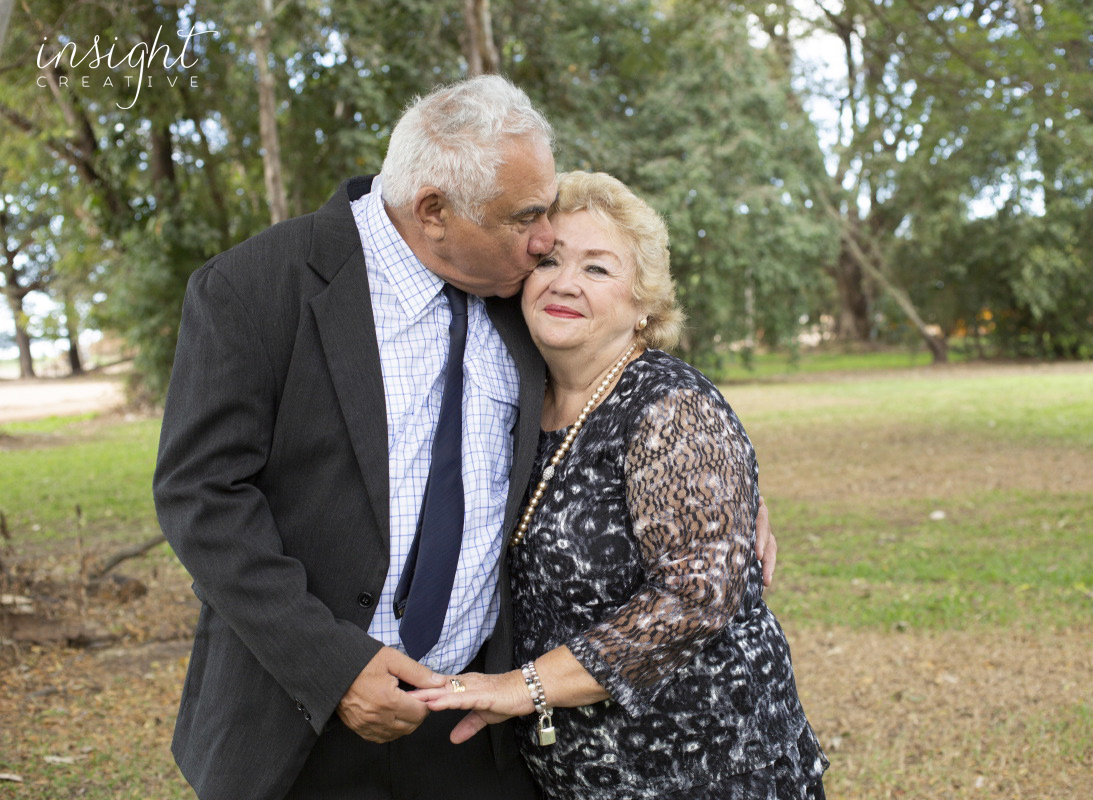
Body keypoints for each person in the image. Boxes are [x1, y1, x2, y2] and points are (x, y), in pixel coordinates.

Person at [154, 77, 777, 800]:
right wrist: (333, 668)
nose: (547, 244)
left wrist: (725, 498)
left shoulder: (512, 287)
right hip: (298, 724)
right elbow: (200, 497)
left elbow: (620, 367)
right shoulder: (255, 288)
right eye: (528, 220)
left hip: (473, 734)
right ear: (433, 211)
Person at [414, 172, 828, 799]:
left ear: (645, 307)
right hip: (577, 777)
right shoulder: (514, 399)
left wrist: (518, 686)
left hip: (706, 771)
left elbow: (695, 599)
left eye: (598, 269)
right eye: (548, 259)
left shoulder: (670, 408)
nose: (565, 282)